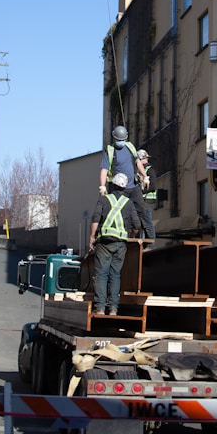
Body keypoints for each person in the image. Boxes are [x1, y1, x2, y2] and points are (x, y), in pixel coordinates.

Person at [89, 172, 141, 316]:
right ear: (124, 188)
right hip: (120, 244)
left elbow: (95, 219)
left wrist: (92, 237)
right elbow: (137, 225)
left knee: (101, 274)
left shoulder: (104, 200)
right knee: (115, 275)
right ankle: (113, 309)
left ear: (112, 185)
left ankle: (99, 308)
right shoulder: (129, 204)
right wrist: (130, 236)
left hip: (104, 242)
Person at [99, 125, 148, 227]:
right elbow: (104, 170)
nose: (121, 141)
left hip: (133, 186)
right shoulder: (110, 151)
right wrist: (102, 186)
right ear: (114, 138)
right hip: (119, 189)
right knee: (121, 212)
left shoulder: (130, 148)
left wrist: (145, 176)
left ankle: (150, 240)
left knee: (142, 211)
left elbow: (138, 162)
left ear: (125, 138)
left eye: (122, 139)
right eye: (118, 139)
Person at [137, 149, 157, 245]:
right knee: (142, 223)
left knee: (147, 221)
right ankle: (145, 243)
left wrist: (139, 192)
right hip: (142, 200)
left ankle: (151, 243)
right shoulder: (140, 170)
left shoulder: (149, 169)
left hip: (147, 199)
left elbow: (153, 186)